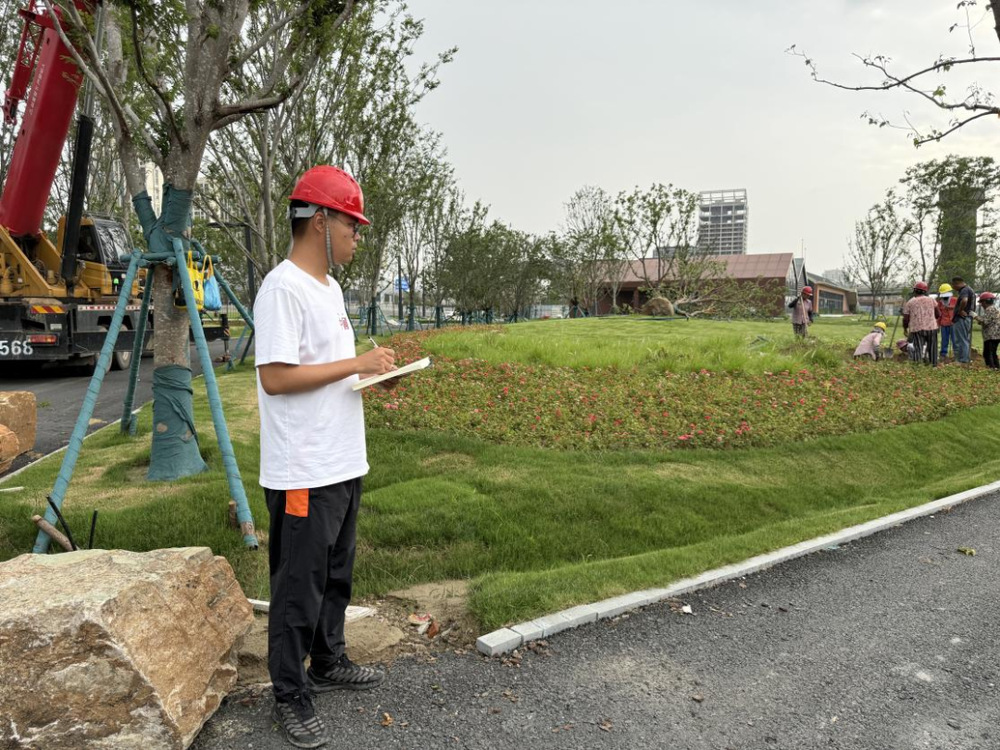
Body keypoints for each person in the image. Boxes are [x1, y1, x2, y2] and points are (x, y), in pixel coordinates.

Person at [254, 165, 397, 749]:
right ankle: (290, 693)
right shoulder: (282, 288)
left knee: (336, 575)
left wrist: (371, 375)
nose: (356, 236)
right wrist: (356, 363)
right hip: (303, 469)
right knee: (298, 586)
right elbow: (276, 378)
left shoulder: (330, 290)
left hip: (342, 461)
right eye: (351, 224)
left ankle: (328, 660)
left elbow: (328, 373)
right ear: (320, 220)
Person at [902, 281, 940, 366]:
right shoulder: (931, 300)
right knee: (932, 348)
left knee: (918, 348)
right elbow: (938, 314)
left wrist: (905, 328)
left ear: (914, 291)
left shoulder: (910, 302)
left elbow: (906, 318)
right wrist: (931, 319)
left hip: (917, 329)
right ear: (925, 291)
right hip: (932, 328)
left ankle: (918, 365)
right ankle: (934, 365)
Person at [951, 276, 976, 364]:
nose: (954, 288)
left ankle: (963, 360)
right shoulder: (970, 289)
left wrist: (960, 310)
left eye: (953, 286)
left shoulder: (964, 290)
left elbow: (964, 300)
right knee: (965, 339)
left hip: (962, 318)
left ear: (956, 284)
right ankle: (964, 358)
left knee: (961, 340)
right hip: (967, 318)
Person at [975, 291, 1000, 369]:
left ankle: (992, 368)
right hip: (995, 335)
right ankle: (996, 367)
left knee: (988, 353)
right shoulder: (993, 309)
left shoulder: (989, 309)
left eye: (982, 302)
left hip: (991, 336)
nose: (981, 304)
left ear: (986, 301)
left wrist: (975, 316)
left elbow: (985, 322)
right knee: (992, 353)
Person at [936, 283, 957, 359]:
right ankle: (943, 354)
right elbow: (939, 315)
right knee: (944, 340)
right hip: (944, 324)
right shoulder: (940, 303)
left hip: (954, 324)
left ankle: (956, 354)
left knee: (955, 340)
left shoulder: (955, 300)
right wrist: (937, 325)